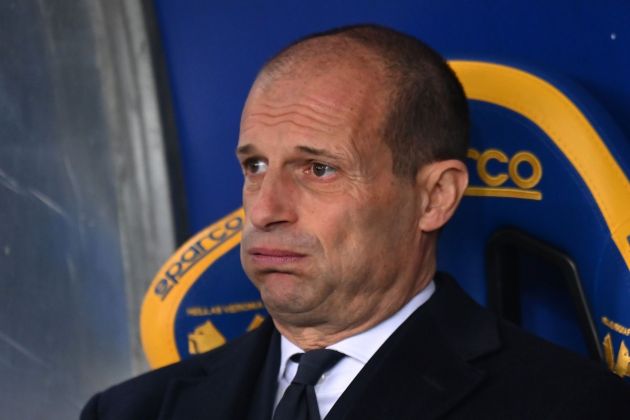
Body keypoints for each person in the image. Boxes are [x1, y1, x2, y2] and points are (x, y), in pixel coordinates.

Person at [81, 24, 630, 420]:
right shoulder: (130, 410)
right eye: (255, 166)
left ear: (435, 197)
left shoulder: (570, 406)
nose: (265, 209)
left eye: (318, 168)